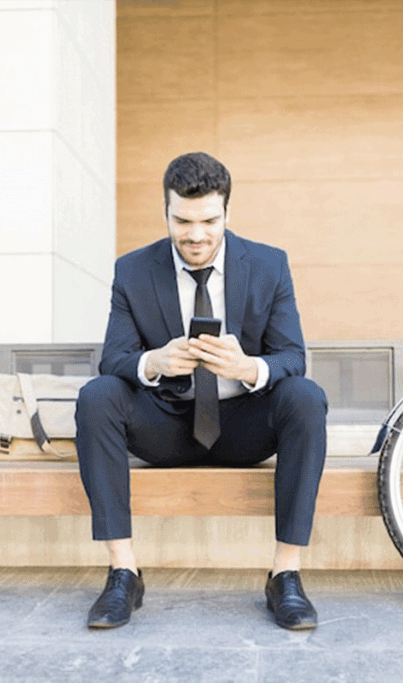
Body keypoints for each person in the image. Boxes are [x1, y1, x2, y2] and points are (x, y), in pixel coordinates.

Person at [75, 152, 328, 630]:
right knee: (98, 394)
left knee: (306, 396)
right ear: (166, 213)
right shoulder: (132, 271)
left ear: (228, 213)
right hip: (166, 425)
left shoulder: (270, 265)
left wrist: (248, 366)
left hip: (244, 425)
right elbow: (114, 359)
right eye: (183, 221)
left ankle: (286, 574)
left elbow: (293, 357)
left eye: (209, 220)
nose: (196, 235)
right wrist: (156, 361)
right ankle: (123, 571)